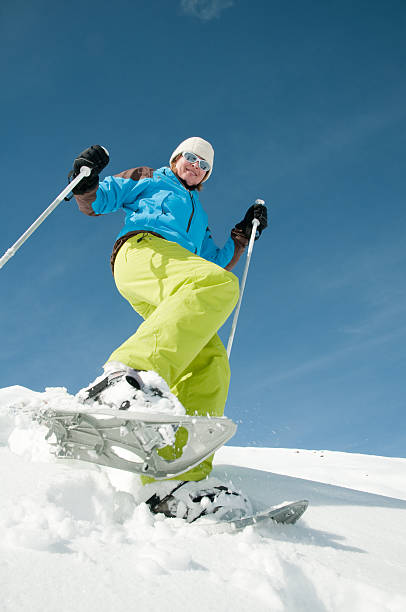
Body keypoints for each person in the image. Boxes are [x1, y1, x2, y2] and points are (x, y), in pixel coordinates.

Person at [71, 137, 267, 522]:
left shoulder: (200, 217)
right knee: (218, 286)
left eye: (204, 165)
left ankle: (177, 480)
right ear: (176, 159)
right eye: (190, 158)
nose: (195, 166)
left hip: (179, 273)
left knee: (210, 360)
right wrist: (87, 180)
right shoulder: (151, 178)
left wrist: (243, 235)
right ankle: (122, 381)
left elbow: (215, 260)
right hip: (142, 252)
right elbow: (100, 198)